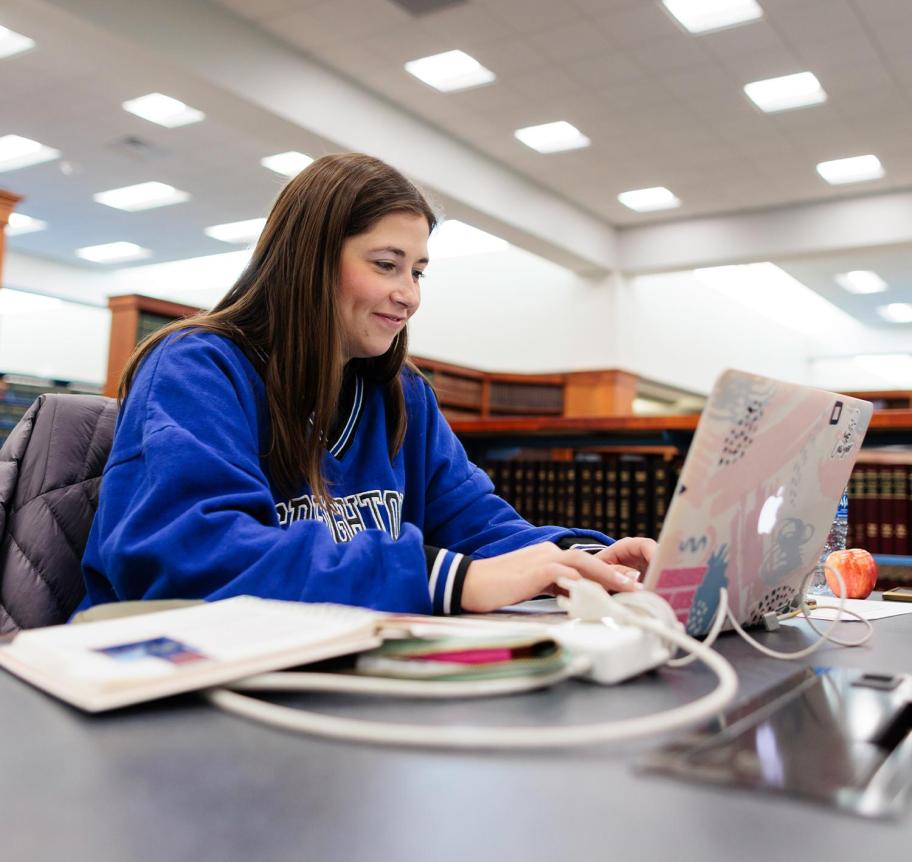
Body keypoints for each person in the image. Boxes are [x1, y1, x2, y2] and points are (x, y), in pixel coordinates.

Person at [80, 153, 655, 616]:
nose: (409, 293)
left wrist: (578, 560)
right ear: (309, 261)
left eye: (418, 271)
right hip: (171, 693)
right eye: (387, 264)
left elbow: (478, 523)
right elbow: (191, 556)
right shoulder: (195, 368)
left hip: (332, 682)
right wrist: (446, 579)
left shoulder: (402, 394)